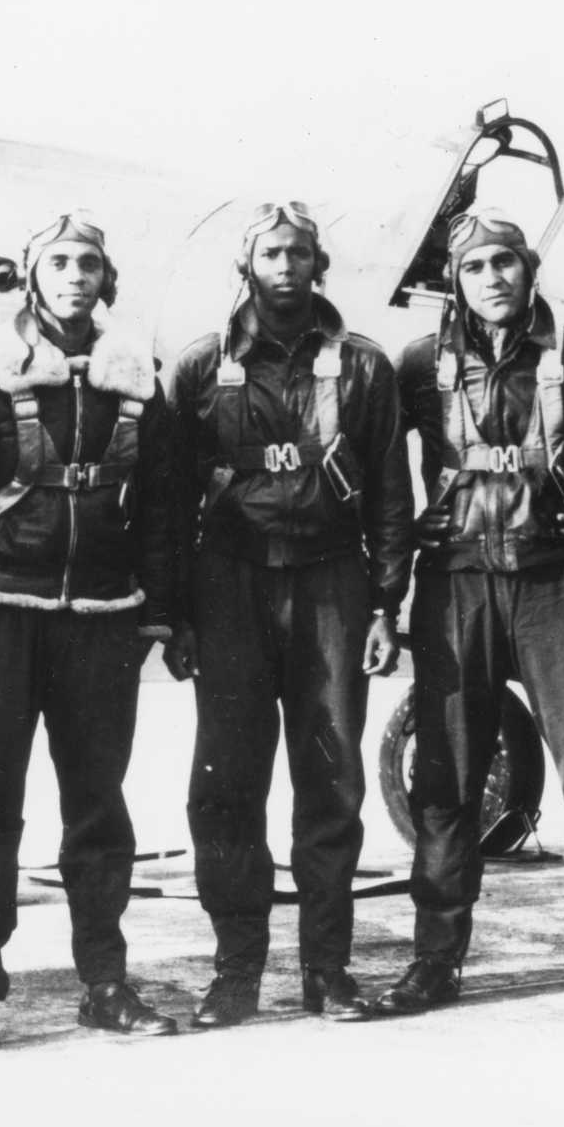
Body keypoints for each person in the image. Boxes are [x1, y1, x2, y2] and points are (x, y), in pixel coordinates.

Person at [0, 211, 184, 1052]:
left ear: (107, 280)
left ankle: (104, 980)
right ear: (31, 276)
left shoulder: (137, 381)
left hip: (100, 619)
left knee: (99, 808)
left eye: (89, 264)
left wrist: (159, 611)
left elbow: (168, 508)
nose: (75, 276)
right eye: (59, 262)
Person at [376, 207, 564, 1017]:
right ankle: (435, 960)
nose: (493, 277)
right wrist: (387, 587)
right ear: (454, 281)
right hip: (457, 586)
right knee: (446, 781)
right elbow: (378, 470)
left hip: (556, 584)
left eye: (506, 262)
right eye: (475, 266)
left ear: (530, 269)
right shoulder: (418, 365)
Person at [165, 200, 413, 1028]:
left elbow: (388, 492)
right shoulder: (200, 368)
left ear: (318, 265)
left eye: (299, 253)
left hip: (332, 585)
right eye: (271, 252)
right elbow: (167, 501)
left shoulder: (365, 368)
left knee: (333, 777)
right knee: (228, 782)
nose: (285, 266)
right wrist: (175, 614)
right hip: (229, 584)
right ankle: (236, 968)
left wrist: (388, 602)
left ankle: (327, 969)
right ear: (248, 265)